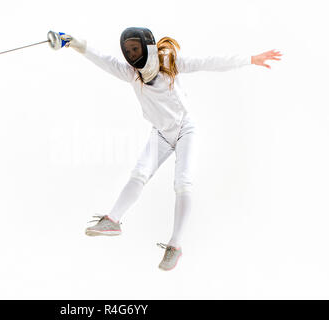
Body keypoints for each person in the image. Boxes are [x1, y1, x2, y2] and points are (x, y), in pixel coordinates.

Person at [60, 27, 282, 271]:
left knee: (182, 182)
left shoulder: (170, 63)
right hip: (161, 133)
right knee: (139, 173)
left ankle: (175, 245)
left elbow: (209, 62)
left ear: (148, 46)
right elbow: (103, 59)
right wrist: (75, 44)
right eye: (127, 51)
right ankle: (113, 220)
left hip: (185, 129)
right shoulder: (130, 73)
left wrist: (250, 59)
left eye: (135, 48)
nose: (132, 55)